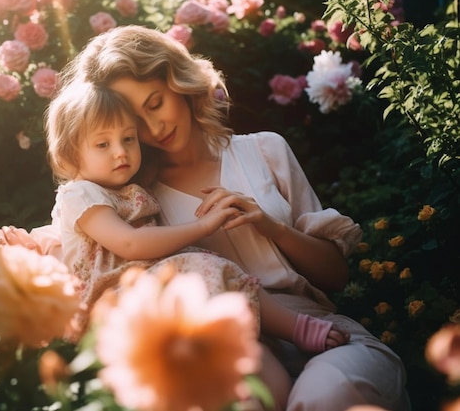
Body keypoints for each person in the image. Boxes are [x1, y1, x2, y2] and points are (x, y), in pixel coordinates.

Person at [56, 25, 411, 411]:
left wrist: (269, 225)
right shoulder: (131, 200)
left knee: (322, 397)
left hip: (325, 334)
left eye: (155, 103)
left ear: (178, 81)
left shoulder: (264, 150)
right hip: (225, 353)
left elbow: (336, 276)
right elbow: (80, 243)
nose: (154, 128)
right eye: (135, 122)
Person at [45, 79, 349, 363]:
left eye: (128, 138)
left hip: (152, 292)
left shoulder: (128, 189)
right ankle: (296, 329)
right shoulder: (79, 194)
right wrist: (202, 227)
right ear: (70, 156)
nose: (121, 152)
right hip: (117, 303)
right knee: (205, 266)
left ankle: (294, 333)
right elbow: (129, 242)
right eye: (103, 145)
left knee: (221, 277)